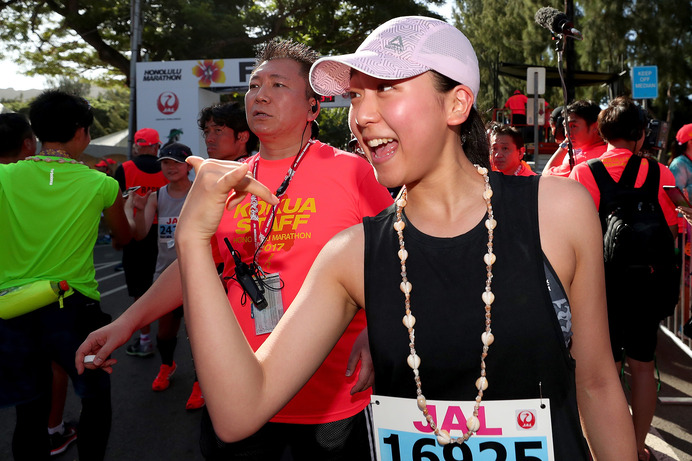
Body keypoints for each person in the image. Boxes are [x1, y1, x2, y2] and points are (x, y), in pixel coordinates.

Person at [157, 15, 637, 460]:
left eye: (385, 89)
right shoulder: (351, 256)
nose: (361, 115)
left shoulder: (558, 209)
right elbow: (238, 412)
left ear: (456, 103)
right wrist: (194, 241)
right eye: (357, 96)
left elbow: (596, 383)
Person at [77, 38, 393, 460]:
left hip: (331, 396)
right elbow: (194, 265)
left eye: (278, 85)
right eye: (254, 85)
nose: (259, 94)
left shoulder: (353, 172)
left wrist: (381, 328)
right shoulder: (218, 183)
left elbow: (393, 258)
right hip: (232, 387)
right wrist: (126, 323)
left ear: (313, 107)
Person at [0, 90, 131, 460]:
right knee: (95, 399)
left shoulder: (4, 177)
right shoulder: (101, 185)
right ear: (80, 132)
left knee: (29, 412)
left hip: (14, 310)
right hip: (74, 310)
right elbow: (124, 237)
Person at [569, 96, 677, 461]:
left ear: (603, 132)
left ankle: (606, 449)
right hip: (646, 285)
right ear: (641, 135)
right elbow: (672, 229)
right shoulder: (661, 173)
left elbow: (575, 234)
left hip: (600, 288)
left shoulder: (584, 172)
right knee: (643, 366)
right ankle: (636, 445)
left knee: (604, 372)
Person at [0, 111, 78, 456]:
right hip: (26, 302)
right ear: (28, 144)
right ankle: (54, 430)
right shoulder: (39, 180)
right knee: (35, 397)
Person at [125, 142, 204, 409]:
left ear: (188, 166)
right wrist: (134, 209)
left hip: (197, 275)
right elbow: (140, 234)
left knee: (199, 334)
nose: (170, 168)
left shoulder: (200, 192)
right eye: (165, 163)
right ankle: (168, 366)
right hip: (166, 275)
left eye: (175, 162)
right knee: (165, 333)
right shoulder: (157, 196)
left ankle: (201, 381)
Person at [114, 127, 169, 357]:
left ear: (137, 146)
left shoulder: (124, 169)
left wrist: (119, 235)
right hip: (165, 233)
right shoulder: (168, 167)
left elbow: (116, 204)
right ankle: (166, 336)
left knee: (139, 289)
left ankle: (145, 339)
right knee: (167, 286)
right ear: (156, 146)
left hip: (136, 231)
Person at [542, 100, 607, 176]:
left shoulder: (578, 161)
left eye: (573, 126)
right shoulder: (610, 150)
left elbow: (546, 175)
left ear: (595, 126)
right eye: (565, 127)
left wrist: (564, 146)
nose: (567, 133)